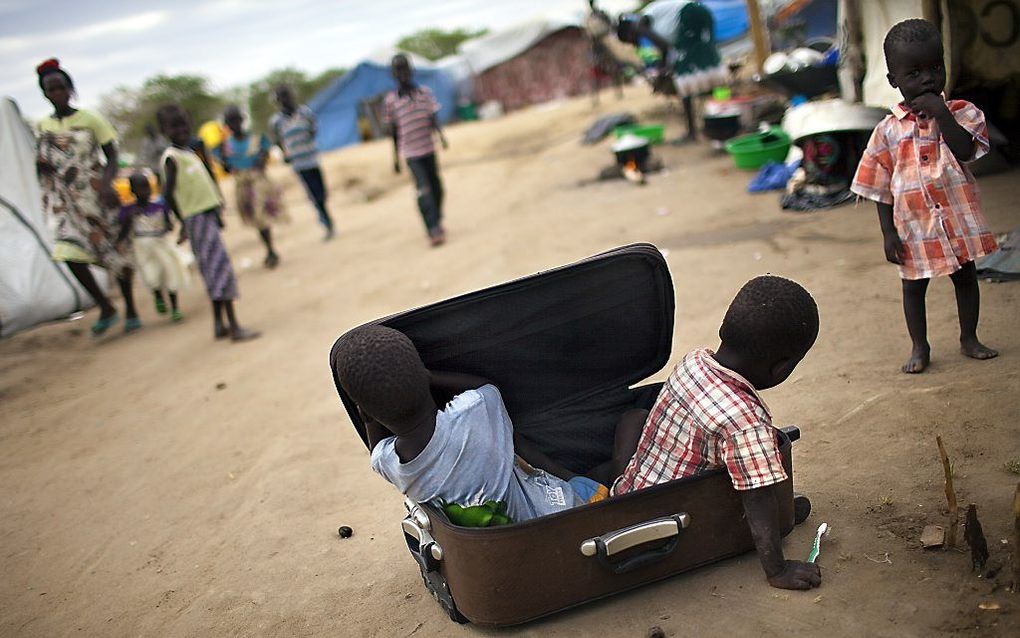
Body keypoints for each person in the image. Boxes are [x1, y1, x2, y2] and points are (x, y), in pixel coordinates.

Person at [613, 276, 822, 591]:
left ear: (725, 329)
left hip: (627, 494)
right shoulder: (746, 421)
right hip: (669, 523)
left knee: (635, 417)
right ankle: (781, 523)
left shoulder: (694, 362)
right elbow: (757, 497)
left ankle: (785, 510)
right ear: (781, 369)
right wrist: (778, 570)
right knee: (757, 486)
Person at [331, 325, 647, 523]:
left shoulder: (392, 464)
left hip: (518, 535)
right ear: (424, 377)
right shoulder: (472, 412)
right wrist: (429, 377)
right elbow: (485, 387)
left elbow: (375, 450)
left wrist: (370, 417)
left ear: (365, 412)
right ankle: (624, 469)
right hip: (560, 508)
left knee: (560, 471)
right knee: (622, 435)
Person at [850, 19, 998, 374]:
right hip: (913, 229)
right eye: (914, 72)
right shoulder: (886, 131)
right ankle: (920, 346)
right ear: (893, 81)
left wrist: (942, 113)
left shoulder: (962, 113)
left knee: (966, 279)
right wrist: (888, 233)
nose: (928, 78)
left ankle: (969, 338)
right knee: (914, 291)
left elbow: (965, 151)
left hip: (956, 222)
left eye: (935, 67)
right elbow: (878, 186)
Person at [34, 58, 140, 336]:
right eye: (50, 89)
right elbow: (43, 160)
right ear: (44, 93)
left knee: (115, 250)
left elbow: (112, 154)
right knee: (67, 252)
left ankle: (130, 307)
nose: (56, 93)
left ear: (70, 88)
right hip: (65, 201)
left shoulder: (90, 119)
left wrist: (108, 184)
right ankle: (105, 305)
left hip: (96, 194)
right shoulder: (42, 126)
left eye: (60, 87)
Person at [157, 104, 259, 343]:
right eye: (174, 126)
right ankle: (233, 326)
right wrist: (181, 220)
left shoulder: (189, 152)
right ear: (164, 130)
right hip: (197, 219)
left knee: (212, 269)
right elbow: (168, 194)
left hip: (206, 216)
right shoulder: (172, 158)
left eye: (183, 124)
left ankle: (219, 324)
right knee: (219, 270)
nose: (180, 129)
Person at [618, 3, 729, 143]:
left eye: (631, 40)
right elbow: (667, 49)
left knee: (685, 75)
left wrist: (662, 69)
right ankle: (722, 120)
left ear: (629, 33)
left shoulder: (639, 25)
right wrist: (663, 66)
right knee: (708, 67)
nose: (635, 41)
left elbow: (664, 47)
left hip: (690, 16)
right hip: (701, 13)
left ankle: (696, 131)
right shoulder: (653, 20)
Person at [384, 54, 449, 247]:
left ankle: (436, 218)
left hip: (428, 148)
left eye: (405, 69)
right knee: (424, 190)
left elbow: (433, 118)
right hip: (411, 154)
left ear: (411, 71)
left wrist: (442, 136)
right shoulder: (390, 101)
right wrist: (395, 159)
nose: (402, 73)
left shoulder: (425, 93)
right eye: (398, 70)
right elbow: (394, 132)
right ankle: (432, 229)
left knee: (437, 188)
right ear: (393, 74)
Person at [216, 105, 287, 268]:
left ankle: (270, 249)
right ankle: (269, 248)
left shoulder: (256, 139)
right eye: (231, 121)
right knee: (256, 218)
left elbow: (264, 158)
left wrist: (258, 161)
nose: (234, 124)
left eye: (237, 120)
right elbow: (226, 168)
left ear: (242, 120)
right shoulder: (226, 145)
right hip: (242, 185)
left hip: (258, 183)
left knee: (260, 214)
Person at [116, 172, 188, 322]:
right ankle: (158, 296)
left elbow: (169, 223)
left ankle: (175, 307)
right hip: (142, 247)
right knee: (151, 274)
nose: (145, 191)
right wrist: (120, 242)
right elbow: (123, 230)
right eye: (140, 188)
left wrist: (167, 227)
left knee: (170, 272)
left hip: (161, 244)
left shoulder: (160, 205)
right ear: (133, 191)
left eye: (146, 187)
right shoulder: (128, 211)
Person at [268, 85, 335, 240]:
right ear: (277, 101)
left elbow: (313, 130)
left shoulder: (305, 113)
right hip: (298, 163)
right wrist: (286, 154)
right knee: (313, 193)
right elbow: (277, 140)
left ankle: (323, 212)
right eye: (282, 97)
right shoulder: (277, 121)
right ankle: (325, 220)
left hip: (312, 158)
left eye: (287, 95)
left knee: (322, 191)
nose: (286, 99)